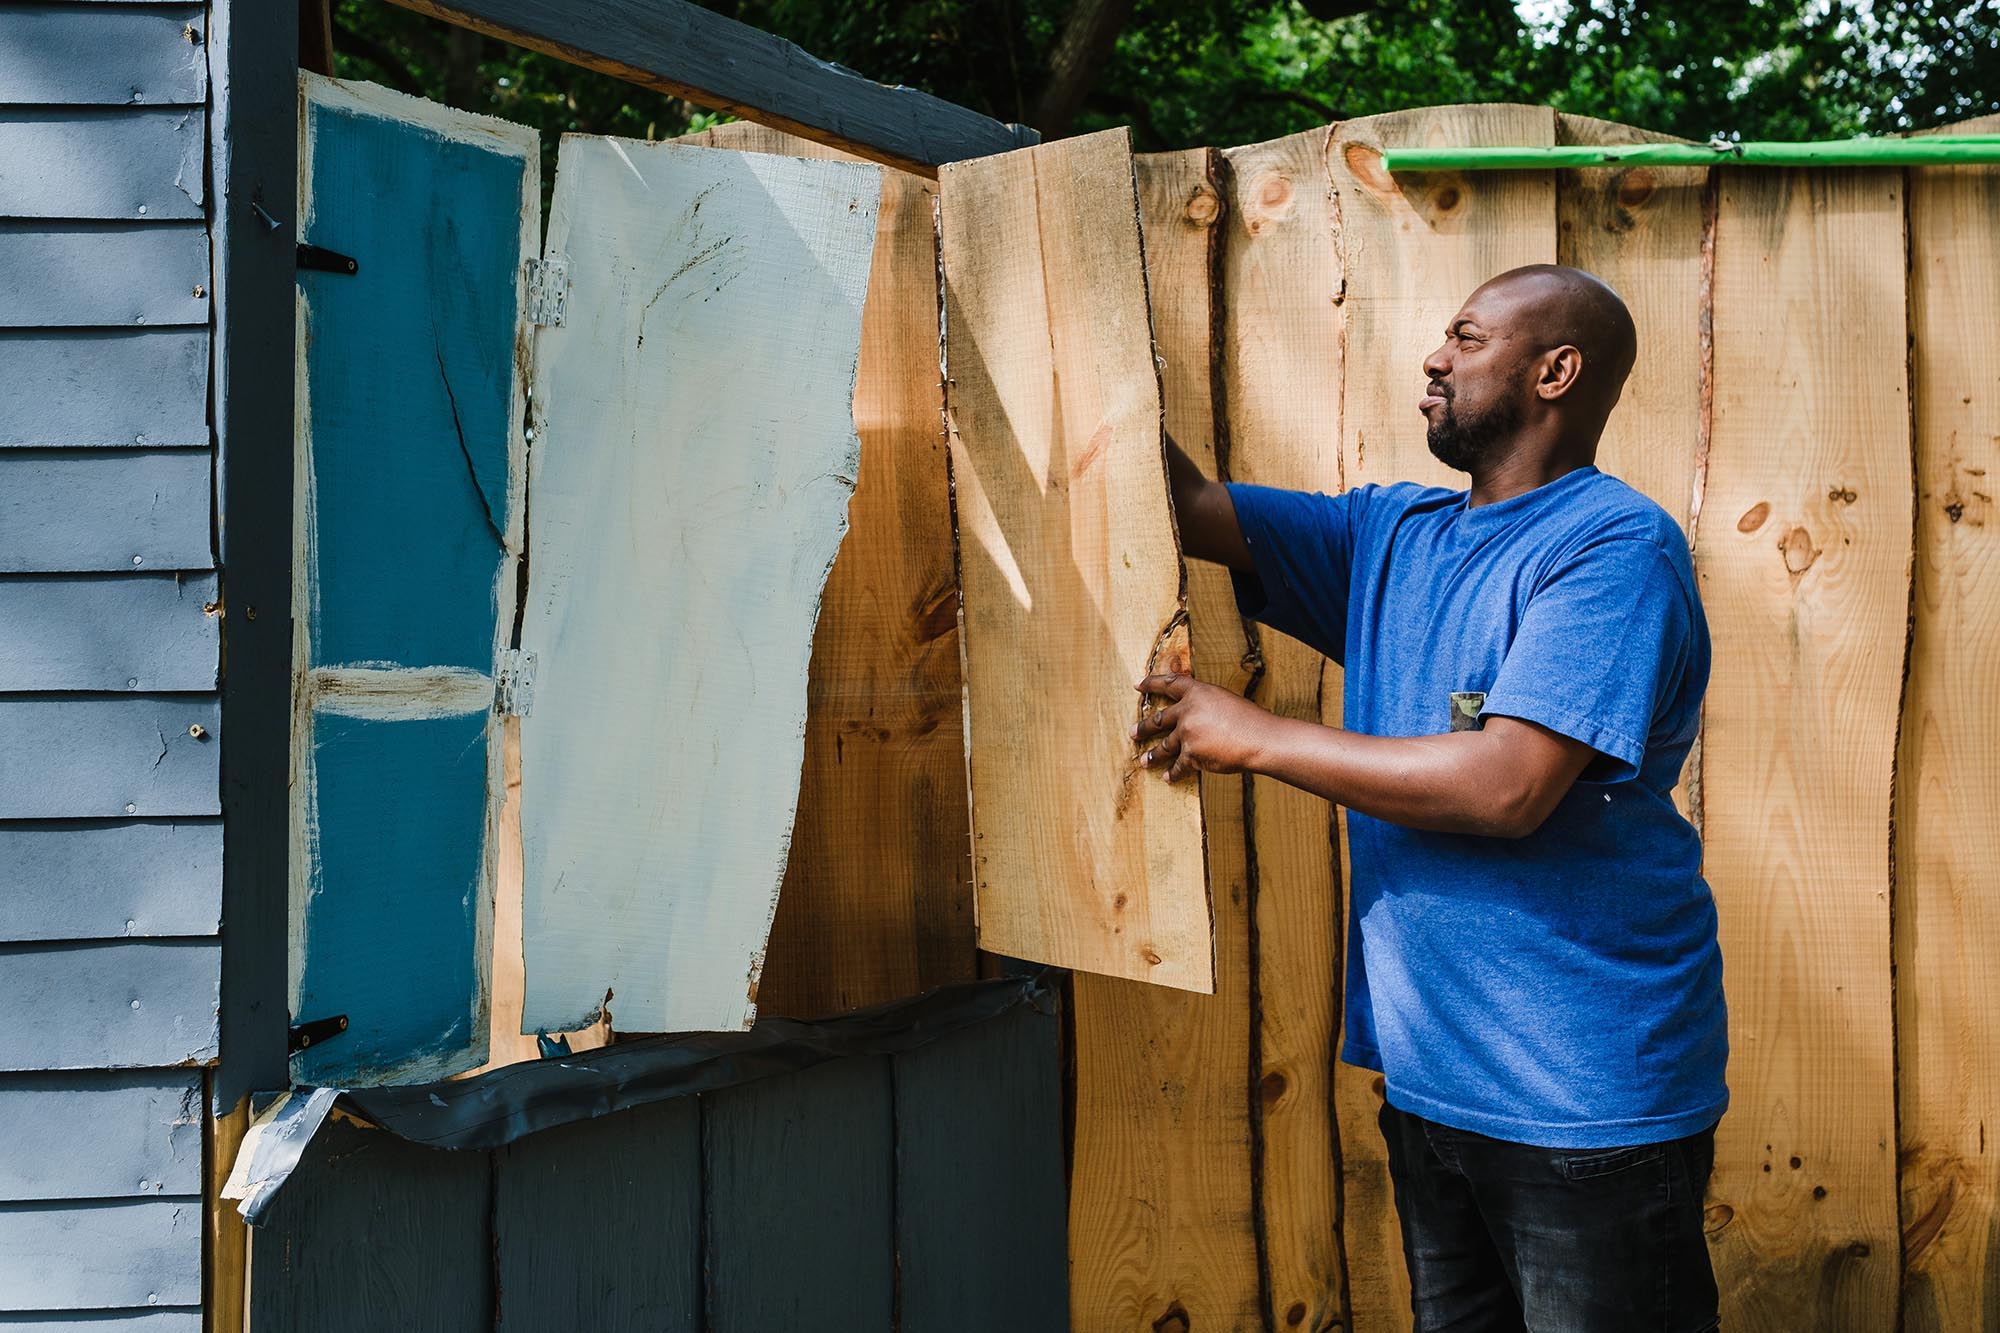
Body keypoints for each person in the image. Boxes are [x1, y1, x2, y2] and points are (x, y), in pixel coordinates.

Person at [1134, 264, 1726, 1332]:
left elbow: (1507, 788)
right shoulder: (1390, 536)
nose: (1431, 356)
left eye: (1464, 337)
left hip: (1582, 1097)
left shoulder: (1610, 550)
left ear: (1553, 371)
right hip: (1434, 1079)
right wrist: (1105, 346)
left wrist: (1257, 735)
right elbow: (1174, 503)